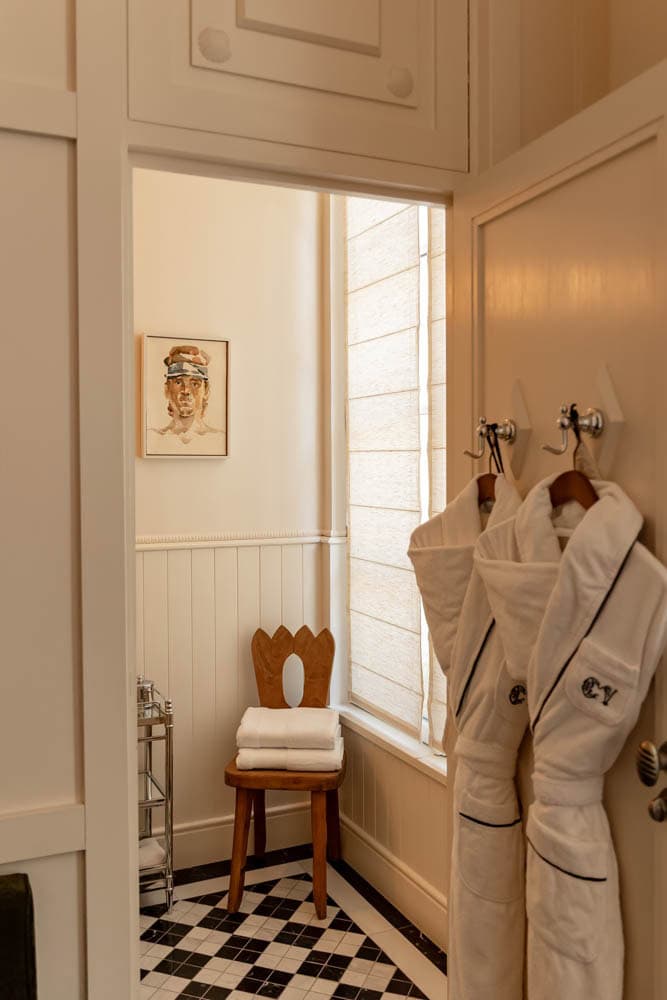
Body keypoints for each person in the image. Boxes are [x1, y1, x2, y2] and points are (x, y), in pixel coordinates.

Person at [152, 345, 223, 445]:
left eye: (195, 384)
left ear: (206, 391)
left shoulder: (218, 439)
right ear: (167, 389)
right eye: (178, 382)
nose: (186, 390)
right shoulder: (153, 437)